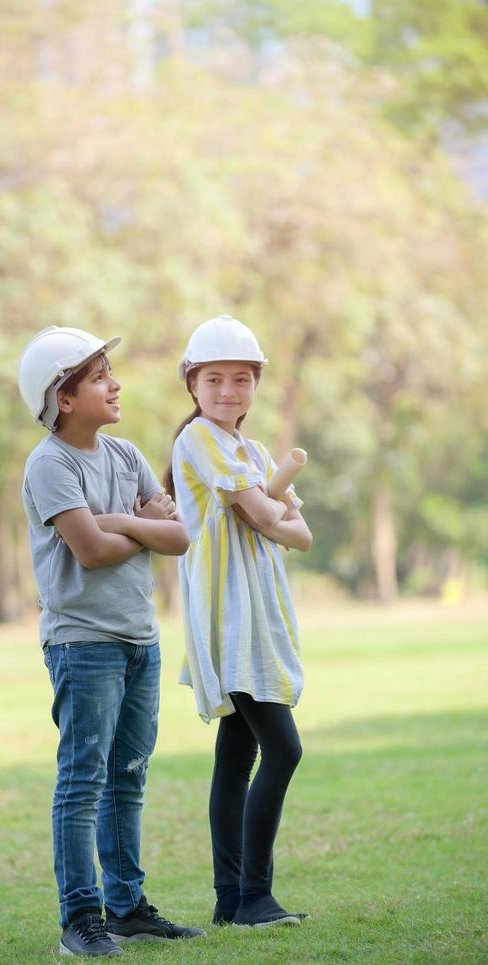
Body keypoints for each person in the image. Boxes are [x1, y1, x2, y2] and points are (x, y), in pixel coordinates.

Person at [18, 325, 205, 957]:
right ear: (63, 398)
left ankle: (125, 907)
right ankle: (80, 919)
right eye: (99, 377)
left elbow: (180, 538)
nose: (115, 384)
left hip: (138, 639)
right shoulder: (50, 464)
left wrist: (123, 518)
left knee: (128, 775)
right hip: (83, 644)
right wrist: (142, 526)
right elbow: (91, 553)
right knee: (83, 781)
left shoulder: (125, 457)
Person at [163, 314, 313, 929]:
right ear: (192, 385)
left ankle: (230, 902)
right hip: (228, 616)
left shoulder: (252, 450)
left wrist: (269, 509)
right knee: (284, 748)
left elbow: (298, 535)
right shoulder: (198, 438)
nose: (229, 390)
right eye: (216, 378)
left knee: (238, 754)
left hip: (261, 611)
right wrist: (269, 508)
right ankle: (254, 896)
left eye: (243, 379)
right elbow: (260, 515)